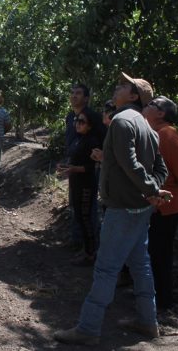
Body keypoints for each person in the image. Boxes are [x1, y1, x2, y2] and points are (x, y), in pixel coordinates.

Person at [54, 73, 172, 346]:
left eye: (123, 86)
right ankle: (147, 320)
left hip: (122, 208)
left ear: (134, 96)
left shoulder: (121, 121)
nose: (116, 87)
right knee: (140, 264)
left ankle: (88, 327)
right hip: (140, 209)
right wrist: (152, 189)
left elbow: (129, 162)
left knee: (105, 268)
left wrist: (150, 190)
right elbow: (160, 168)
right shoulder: (146, 127)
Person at [143, 96, 178, 310]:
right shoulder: (153, 133)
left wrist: (177, 183)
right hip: (155, 205)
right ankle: (153, 296)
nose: (146, 106)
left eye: (151, 104)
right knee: (153, 252)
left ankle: (162, 301)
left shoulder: (169, 134)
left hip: (167, 206)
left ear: (161, 113)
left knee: (160, 254)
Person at [57, 110, 101, 265]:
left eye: (82, 121)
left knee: (86, 218)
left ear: (90, 125)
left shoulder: (92, 141)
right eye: (77, 120)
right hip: (76, 182)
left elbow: (91, 167)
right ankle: (86, 250)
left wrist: (73, 169)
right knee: (80, 217)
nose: (77, 124)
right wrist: (66, 166)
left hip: (86, 185)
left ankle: (91, 253)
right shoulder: (78, 139)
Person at [64, 84, 104, 250]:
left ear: (86, 98)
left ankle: (91, 247)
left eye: (78, 93)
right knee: (75, 204)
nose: (74, 96)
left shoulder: (93, 117)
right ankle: (77, 239)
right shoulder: (70, 117)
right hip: (74, 165)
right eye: (72, 93)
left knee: (89, 208)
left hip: (89, 168)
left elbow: (101, 139)